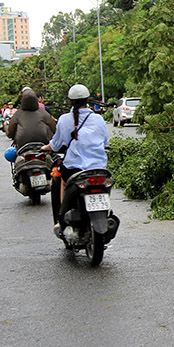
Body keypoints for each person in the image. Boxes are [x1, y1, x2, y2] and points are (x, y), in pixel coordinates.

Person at [42, 84, 109, 238]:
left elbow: (57, 144)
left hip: (75, 168)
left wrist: (47, 147)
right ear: (87, 99)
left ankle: (61, 219)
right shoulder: (98, 119)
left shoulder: (65, 120)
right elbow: (105, 142)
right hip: (99, 167)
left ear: (70, 101)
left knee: (63, 180)